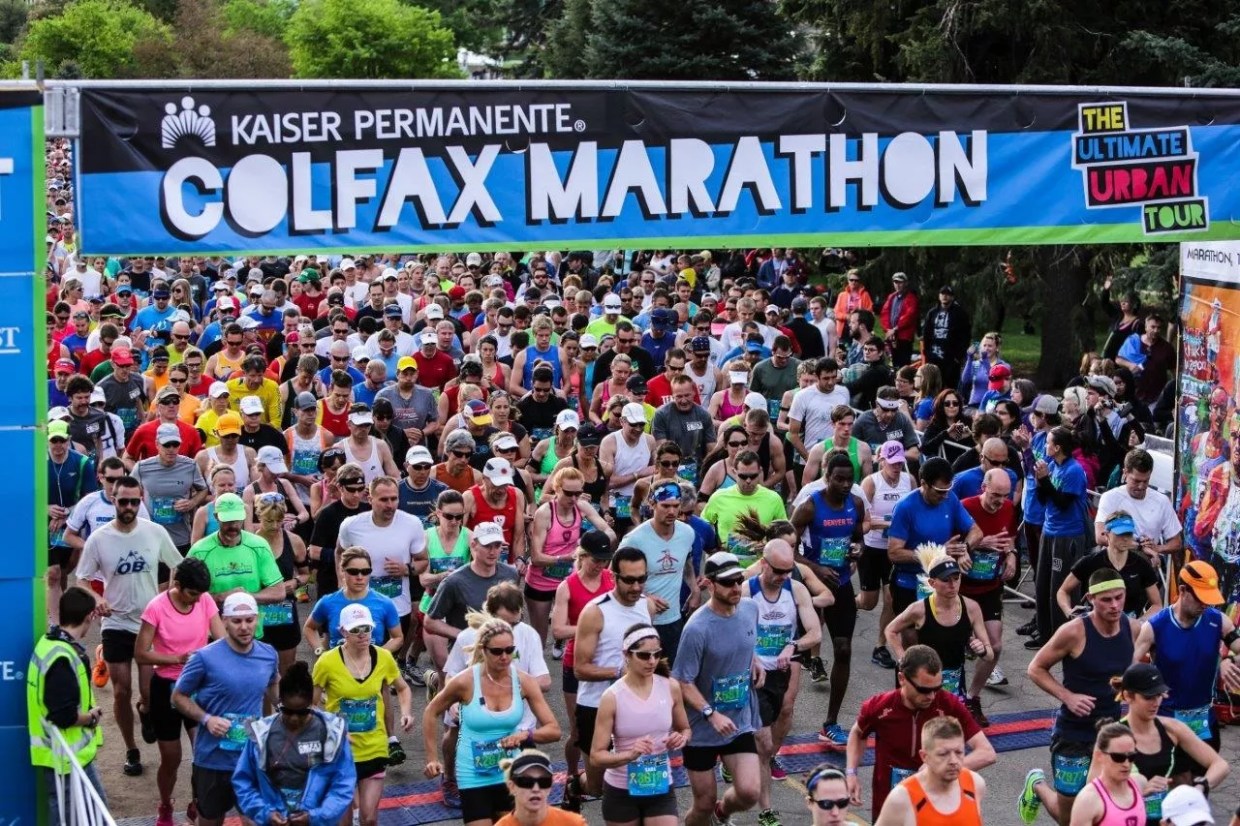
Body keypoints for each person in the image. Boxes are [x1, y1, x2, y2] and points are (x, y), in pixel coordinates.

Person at [76, 474, 184, 778]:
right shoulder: (99, 538)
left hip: (148, 623)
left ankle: (146, 709)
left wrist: (170, 596)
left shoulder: (155, 532)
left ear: (141, 501)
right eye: (123, 501)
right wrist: (96, 596)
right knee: (121, 690)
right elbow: (82, 578)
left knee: (148, 692)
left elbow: (178, 562)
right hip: (115, 623)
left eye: (134, 501)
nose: (128, 507)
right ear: (113, 499)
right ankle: (130, 749)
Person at [1024, 570, 1140, 826]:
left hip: (1110, 735)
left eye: (1119, 598)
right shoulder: (1074, 632)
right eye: (1106, 599)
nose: (1114, 605)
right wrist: (1068, 696)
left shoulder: (1132, 628)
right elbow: (1035, 668)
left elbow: (1140, 668)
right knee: (1070, 819)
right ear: (1090, 598)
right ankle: (1037, 786)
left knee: (1103, 810)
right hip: (1073, 734)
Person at [422, 617, 561, 826]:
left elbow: (554, 730)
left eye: (510, 650)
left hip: (509, 772)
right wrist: (432, 758)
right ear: (483, 650)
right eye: (497, 651)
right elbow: (430, 712)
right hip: (472, 773)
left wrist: (526, 735)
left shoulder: (523, 681)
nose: (504, 657)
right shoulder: (465, 681)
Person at [845, 645, 994, 820]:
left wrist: (937, 768)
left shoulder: (948, 704)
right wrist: (851, 773)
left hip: (933, 805)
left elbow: (986, 753)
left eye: (937, 688)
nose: (931, 696)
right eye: (923, 690)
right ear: (902, 678)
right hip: (889, 805)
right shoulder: (879, 707)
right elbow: (857, 733)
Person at [172, 593, 279, 826]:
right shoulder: (204, 658)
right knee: (210, 821)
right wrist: (207, 719)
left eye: (249, 620)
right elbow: (178, 697)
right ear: (224, 621)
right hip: (212, 760)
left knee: (257, 821)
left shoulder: (268, 654)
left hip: (251, 759)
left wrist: (285, 712)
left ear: (257, 619)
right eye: (237, 621)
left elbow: (273, 686)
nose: (244, 627)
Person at [672, 551, 763, 826]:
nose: (736, 587)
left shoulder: (750, 609)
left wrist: (754, 660)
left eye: (738, 580)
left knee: (749, 792)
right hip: (702, 727)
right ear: (709, 584)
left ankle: (722, 815)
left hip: (738, 720)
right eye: (727, 582)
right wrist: (711, 713)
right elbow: (682, 681)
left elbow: (746, 641)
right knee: (703, 803)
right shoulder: (697, 628)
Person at [134, 558, 224, 826]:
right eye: (192, 594)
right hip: (166, 687)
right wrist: (178, 659)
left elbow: (219, 638)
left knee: (204, 754)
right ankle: (165, 804)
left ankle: (198, 803)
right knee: (171, 759)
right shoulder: (156, 607)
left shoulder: (205, 600)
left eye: (200, 595)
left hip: (198, 686)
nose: (196, 601)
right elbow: (141, 653)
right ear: (177, 585)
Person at [569, 546, 656, 808]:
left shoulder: (647, 606)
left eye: (642, 579)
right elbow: (579, 669)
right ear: (614, 576)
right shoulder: (595, 611)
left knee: (634, 781)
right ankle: (576, 786)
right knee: (598, 786)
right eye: (629, 579)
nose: (636, 586)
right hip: (596, 707)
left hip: (635, 707)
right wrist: (620, 672)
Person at [1135, 560, 1240, 776]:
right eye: (1201, 598)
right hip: (1167, 723)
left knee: (1201, 787)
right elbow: (1131, 672)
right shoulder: (1154, 627)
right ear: (1182, 590)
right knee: (1173, 788)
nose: (1205, 605)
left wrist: (1228, 657)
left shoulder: (1218, 621)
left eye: (1209, 600)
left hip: (1204, 723)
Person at [312, 603, 414, 826]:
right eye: (356, 630)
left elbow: (403, 687)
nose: (362, 635)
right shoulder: (326, 662)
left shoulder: (383, 658)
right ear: (343, 632)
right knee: (344, 822)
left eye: (366, 629)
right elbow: (310, 706)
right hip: (341, 751)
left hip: (374, 746)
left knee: (368, 819)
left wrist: (406, 713)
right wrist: (330, 725)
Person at [790, 452, 866, 747]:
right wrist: (817, 568)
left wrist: (858, 550)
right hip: (810, 587)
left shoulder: (856, 504)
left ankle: (831, 722)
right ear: (827, 477)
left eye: (850, 479)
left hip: (842, 584)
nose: (846, 484)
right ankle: (781, 711)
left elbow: (859, 539)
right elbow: (787, 550)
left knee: (844, 649)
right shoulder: (810, 506)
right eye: (840, 479)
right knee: (791, 654)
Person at [746, 540, 823, 826]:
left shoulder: (796, 589)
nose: (783, 577)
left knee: (778, 727)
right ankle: (765, 809)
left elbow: (815, 633)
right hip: (753, 677)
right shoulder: (746, 591)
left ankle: (743, 761)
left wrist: (792, 645)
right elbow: (732, 629)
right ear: (764, 564)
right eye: (778, 571)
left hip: (780, 674)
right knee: (764, 744)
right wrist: (750, 656)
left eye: (788, 571)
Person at [589, 622, 692, 826]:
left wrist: (681, 738)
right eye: (644, 655)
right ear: (627, 654)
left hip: (660, 785)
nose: (652, 661)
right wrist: (630, 755)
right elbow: (596, 756)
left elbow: (685, 729)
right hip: (621, 789)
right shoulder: (612, 697)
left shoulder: (670, 687)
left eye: (656, 654)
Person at [233, 661, 357, 826]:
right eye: (287, 711)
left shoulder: (331, 733)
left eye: (302, 712)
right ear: (279, 701)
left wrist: (316, 817)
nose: (294, 718)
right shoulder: (260, 734)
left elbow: (343, 784)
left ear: (311, 704)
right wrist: (266, 814)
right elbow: (243, 781)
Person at [28, 587, 106, 826]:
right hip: (66, 758)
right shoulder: (62, 657)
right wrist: (91, 717)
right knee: (80, 817)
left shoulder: (48, 644)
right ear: (88, 617)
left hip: (64, 757)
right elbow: (63, 715)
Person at [1111, 663, 1227, 821]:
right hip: (1126, 819)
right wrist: (1136, 790)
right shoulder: (1112, 736)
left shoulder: (1173, 728)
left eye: (1159, 695)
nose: (1156, 702)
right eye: (1148, 697)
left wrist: (1200, 787)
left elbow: (1220, 765)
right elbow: (1096, 790)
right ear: (1127, 696)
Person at [884, 555, 993, 723]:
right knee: (916, 728)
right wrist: (902, 657)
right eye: (946, 580)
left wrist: (982, 648)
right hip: (922, 679)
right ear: (932, 583)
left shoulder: (971, 608)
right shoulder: (919, 609)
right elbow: (890, 630)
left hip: (954, 680)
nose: (952, 584)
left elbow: (990, 656)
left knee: (949, 730)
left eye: (956, 578)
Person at [549, 533, 615, 807]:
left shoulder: (611, 579)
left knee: (612, 727)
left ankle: (601, 776)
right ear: (582, 555)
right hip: (575, 665)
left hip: (608, 663)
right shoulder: (568, 586)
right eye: (596, 560)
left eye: (605, 560)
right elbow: (558, 629)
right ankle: (574, 775)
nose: (600, 565)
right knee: (578, 731)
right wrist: (592, 627)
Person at [527, 467, 616, 645]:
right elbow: (536, 557)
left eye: (578, 493)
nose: (574, 498)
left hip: (569, 579)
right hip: (541, 582)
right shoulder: (545, 513)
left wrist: (593, 545)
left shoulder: (581, 506)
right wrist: (565, 558)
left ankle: (567, 656)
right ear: (557, 488)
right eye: (569, 493)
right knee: (539, 639)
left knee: (576, 630)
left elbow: (609, 533)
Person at [887, 458, 982, 616]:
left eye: (947, 490)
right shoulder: (905, 507)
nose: (944, 496)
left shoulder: (950, 498)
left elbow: (976, 531)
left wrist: (963, 549)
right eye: (939, 491)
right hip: (909, 581)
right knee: (911, 637)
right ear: (924, 484)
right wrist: (937, 552)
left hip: (939, 582)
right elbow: (894, 553)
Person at [620, 479, 698, 664]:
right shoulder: (635, 540)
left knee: (669, 678)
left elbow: (686, 562)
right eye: (665, 506)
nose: (672, 512)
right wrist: (644, 597)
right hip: (640, 620)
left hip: (673, 620)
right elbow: (612, 578)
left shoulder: (687, 533)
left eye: (676, 506)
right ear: (652, 504)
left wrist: (694, 589)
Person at [960, 468, 1019, 702]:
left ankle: (973, 696)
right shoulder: (965, 507)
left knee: (994, 645)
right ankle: (955, 697)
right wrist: (980, 542)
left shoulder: (1007, 508)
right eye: (996, 495)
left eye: (1005, 495)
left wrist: (1012, 556)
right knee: (957, 649)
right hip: (961, 588)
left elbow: (1010, 537)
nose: (1000, 501)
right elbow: (951, 543)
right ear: (984, 488)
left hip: (990, 586)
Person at [1033, 426, 1093, 649]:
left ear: (1057, 447)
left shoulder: (1073, 471)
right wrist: (1040, 480)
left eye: (1048, 442)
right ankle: (1044, 632)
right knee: (1043, 584)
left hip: (1068, 535)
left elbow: (1062, 502)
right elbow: (1043, 498)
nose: (1045, 446)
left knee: (1061, 586)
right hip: (1049, 531)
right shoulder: (1051, 466)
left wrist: (1045, 481)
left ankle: (1063, 638)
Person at [859, 441, 915, 673]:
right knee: (869, 602)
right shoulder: (871, 483)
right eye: (892, 463)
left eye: (900, 462)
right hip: (873, 549)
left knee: (890, 600)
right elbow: (864, 522)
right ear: (881, 460)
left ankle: (880, 646)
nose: (897, 467)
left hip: (895, 551)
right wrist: (892, 524)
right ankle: (848, 603)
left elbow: (914, 508)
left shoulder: (909, 481)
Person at [874, 716, 986, 826]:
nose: (953, 761)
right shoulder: (902, 799)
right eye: (943, 754)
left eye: (959, 752)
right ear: (924, 756)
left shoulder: (975, 784)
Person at [1058, 512, 1161, 620]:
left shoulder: (1141, 564)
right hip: (1096, 627)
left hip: (1128, 629)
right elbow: (1063, 591)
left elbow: (1157, 605)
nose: (1125, 538)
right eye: (1120, 534)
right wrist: (1069, 612)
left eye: (1128, 534)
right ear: (1106, 534)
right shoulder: (1090, 562)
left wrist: (1138, 623)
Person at [132, 422, 209, 553]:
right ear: (157, 444)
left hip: (181, 537)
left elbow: (203, 489)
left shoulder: (190, 465)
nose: (171, 449)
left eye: (175, 444)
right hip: (151, 538)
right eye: (166, 445)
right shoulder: (142, 467)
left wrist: (191, 503)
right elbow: (128, 493)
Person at [702, 450, 787, 568]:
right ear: (734, 472)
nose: (748, 481)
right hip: (727, 567)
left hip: (761, 569)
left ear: (760, 472)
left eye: (753, 476)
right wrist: (714, 549)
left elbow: (785, 534)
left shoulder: (774, 499)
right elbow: (703, 526)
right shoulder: (718, 497)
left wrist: (768, 544)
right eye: (743, 476)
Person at [1063, 723, 1145, 826]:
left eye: (1131, 757)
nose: (1126, 764)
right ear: (1099, 756)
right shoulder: (1088, 800)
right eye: (1118, 757)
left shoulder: (1140, 783)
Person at [494, 750, 587, 826]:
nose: (536, 788)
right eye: (526, 782)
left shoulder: (573, 823)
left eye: (543, 782)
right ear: (512, 786)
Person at [879, 272, 919, 367]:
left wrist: (895, 329)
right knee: (893, 362)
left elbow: (909, 316)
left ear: (906, 283)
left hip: (904, 337)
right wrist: (888, 329)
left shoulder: (911, 298)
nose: (898, 285)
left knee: (904, 363)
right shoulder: (891, 297)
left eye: (900, 282)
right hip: (891, 336)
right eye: (895, 282)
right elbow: (884, 313)